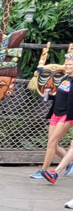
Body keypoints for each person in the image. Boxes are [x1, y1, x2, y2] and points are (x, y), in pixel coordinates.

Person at [34, 53, 73, 183]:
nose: (67, 66)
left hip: (67, 116)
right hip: (55, 113)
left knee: (52, 143)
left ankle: (44, 170)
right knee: (52, 144)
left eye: (70, 64)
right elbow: (59, 97)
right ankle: (70, 162)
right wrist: (48, 96)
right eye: (66, 64)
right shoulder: (64, 79)